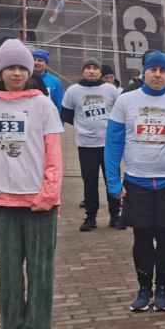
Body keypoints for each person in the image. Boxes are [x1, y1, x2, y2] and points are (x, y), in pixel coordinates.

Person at [0, 39, 63, 329]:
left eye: (21, 68)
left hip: (38, 201)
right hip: (1, 202)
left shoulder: (43, 105)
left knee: (40, 270)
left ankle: (37, 328)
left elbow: (54, 155)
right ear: (0, 71)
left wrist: (49, 194)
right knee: (9, 273)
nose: (16, 73)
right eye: (10, 67)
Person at [105, 51, 165, 313]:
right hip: (137, 183)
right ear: (144, 73)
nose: (158, 75)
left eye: (162, 70)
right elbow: (113, 145)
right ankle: (144, 288)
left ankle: (162, 289)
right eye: (153, 70)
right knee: (142, 238)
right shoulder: (125, 102)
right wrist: (114, 183)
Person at [61, 58, 123, 231]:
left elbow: (120, 112)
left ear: (100, 72)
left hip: (108, 145)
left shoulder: (110, 89)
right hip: (86, 144)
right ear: (83, 72)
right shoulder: (73, 91)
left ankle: (115, 215)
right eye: (87, 68)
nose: (91, 71)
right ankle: (90, 217)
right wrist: (83, 126)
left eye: (95, 68)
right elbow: (66, 114)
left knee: (113, 180)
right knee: (89, 182)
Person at [31, 49, 65, 116]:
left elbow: (60, 105)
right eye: (34, 59)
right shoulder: (24, 79)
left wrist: (60, 123)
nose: (36, 62)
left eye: (40, 60)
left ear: (46, 63)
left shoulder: (55, 81)